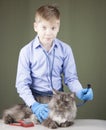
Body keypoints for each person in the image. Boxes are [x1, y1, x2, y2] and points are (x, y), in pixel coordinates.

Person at [16, 5, 93, 123]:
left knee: (61, 124)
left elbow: (71, 78)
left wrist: (79, 91)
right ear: (35, 27)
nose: (48, 33)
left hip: (59, 100)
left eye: (53, 28)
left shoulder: (66, 49)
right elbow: (22, 84)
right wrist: (33, 105)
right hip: (36, 99)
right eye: (44, 27)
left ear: (58, 27)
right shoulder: (26, 51)